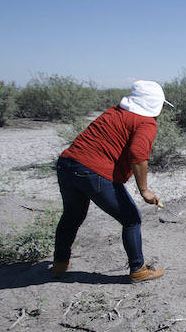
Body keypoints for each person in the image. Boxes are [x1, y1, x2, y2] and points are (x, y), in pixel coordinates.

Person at [51, 80, 173, 283]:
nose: (161, 110)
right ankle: (138, 269)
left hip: (67, 165)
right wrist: (144, 190)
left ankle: (59, 265)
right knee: (131, 219)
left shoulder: (114, 111)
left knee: (72, 216)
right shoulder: (146, 122)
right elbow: (138, 154)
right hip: (93, 172)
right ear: (153, 104)